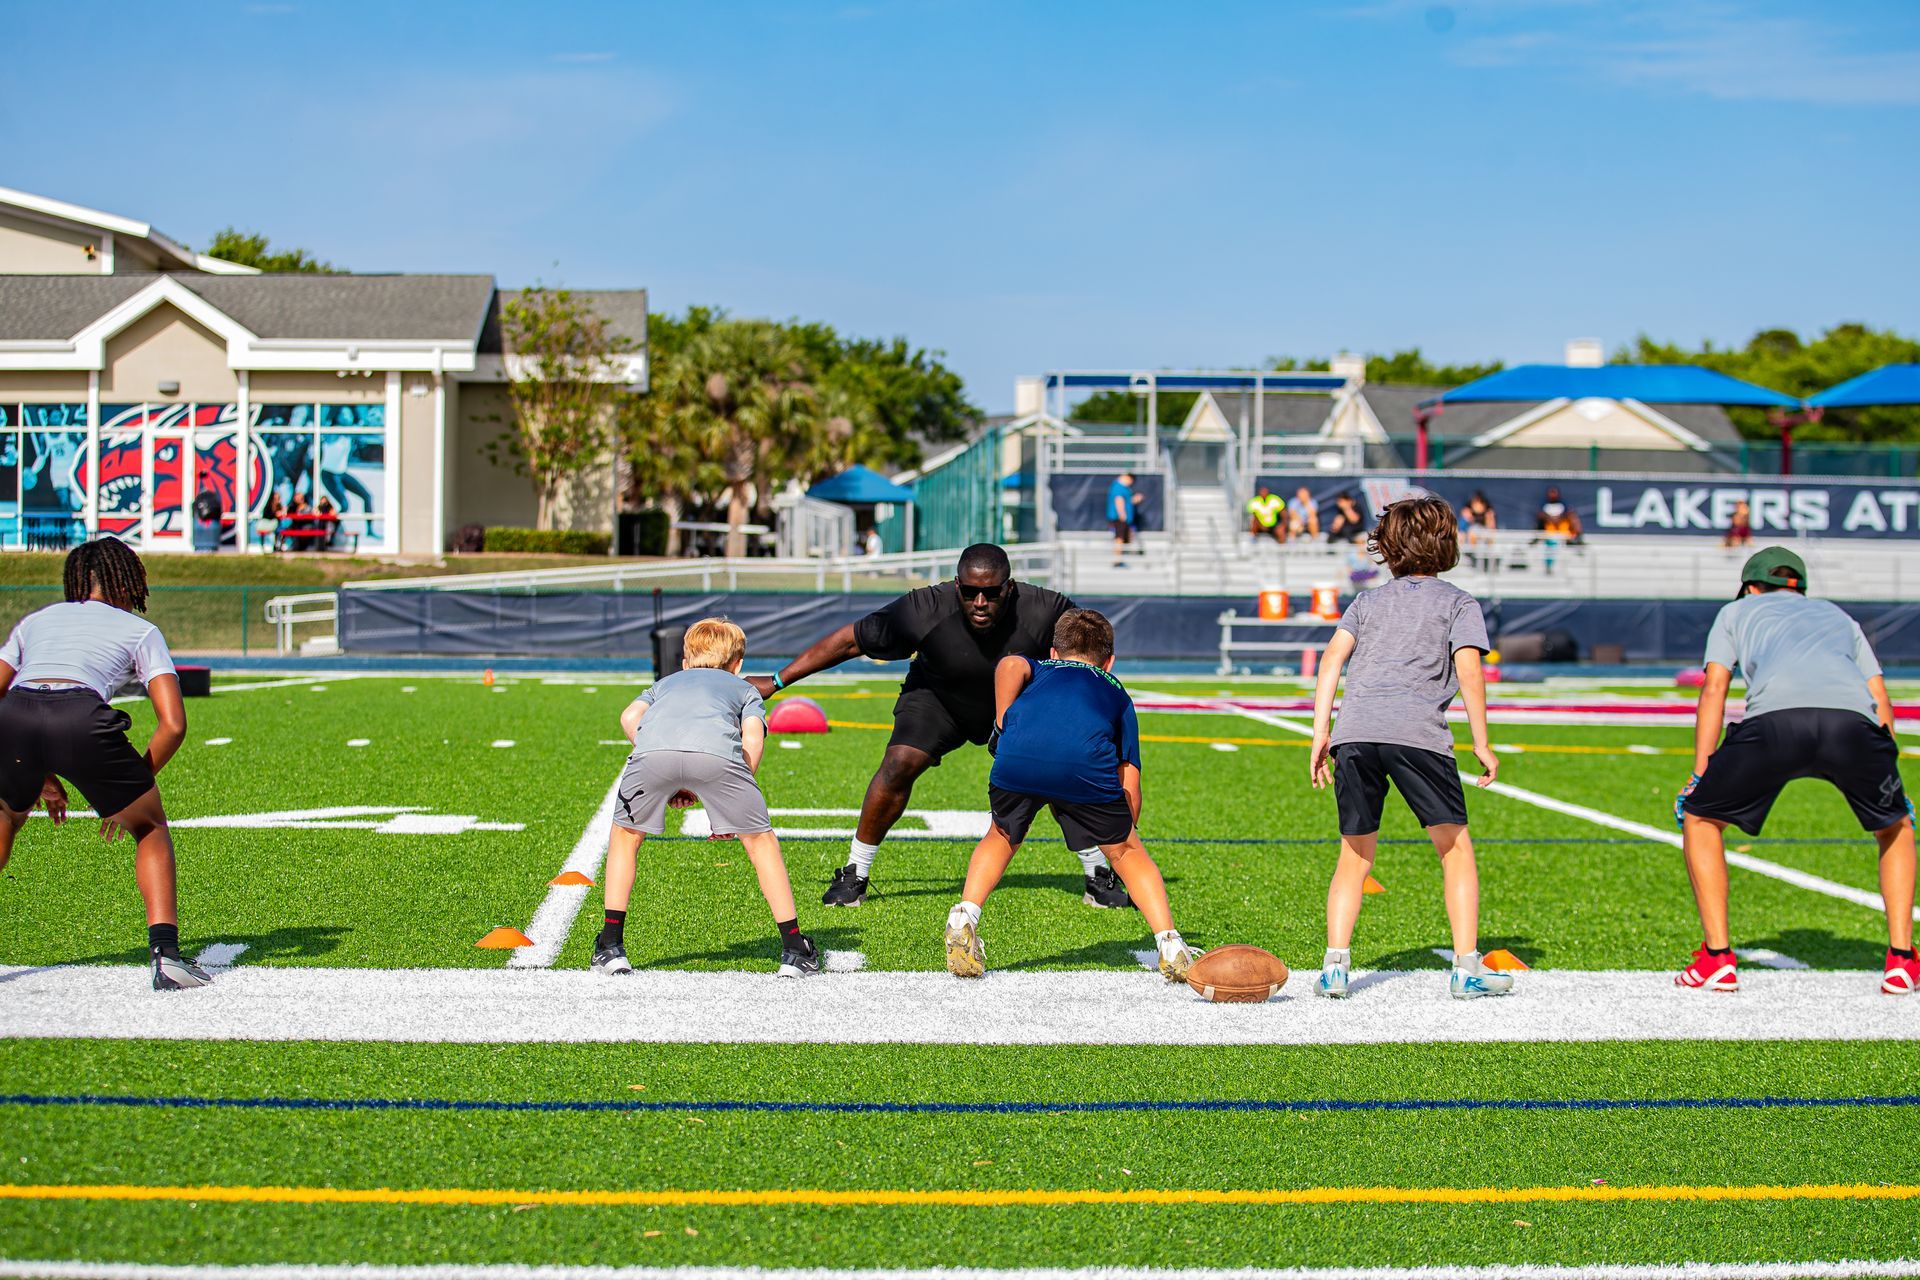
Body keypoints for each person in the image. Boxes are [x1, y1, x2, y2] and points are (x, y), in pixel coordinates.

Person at [748, 544, 1131, 909]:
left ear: (1010, 588)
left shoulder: (1046, 609)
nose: (980, 603)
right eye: (969, 592)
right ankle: (856, 871)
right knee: (898, 763)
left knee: (1056, 763)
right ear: (956, 584)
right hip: (939, 699)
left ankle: (1097, 874)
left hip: (1020, 704)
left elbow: (1086, 659)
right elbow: (851, 641)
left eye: (992, 593)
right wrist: (778, 680)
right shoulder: (924, 607)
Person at [1674, 548, 1915, 995]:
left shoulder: (1736, 611)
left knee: (1701, 818)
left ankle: (1718, 958)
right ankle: (1902, 960)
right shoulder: (1840, 617)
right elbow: (1880, 697)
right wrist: (1889, 770)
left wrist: (1701, 771)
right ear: (1800, 588)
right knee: (1895, 825)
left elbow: (1714, 689)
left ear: (1749, 587)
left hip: (1775, 725)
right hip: (1853, 726)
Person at [1307, 495, 1512, 1001]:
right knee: (1455, 849)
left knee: (1354, 854)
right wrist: (1482, 741)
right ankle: (1467, 968)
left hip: (1355, 731)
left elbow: (1331, 660)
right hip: (1417, 733)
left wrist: (1320, 732)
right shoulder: (1459, 602)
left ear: (1389, 549)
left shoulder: (1367, 602)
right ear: (1447, 544)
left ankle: (1335, 967)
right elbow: (1468, 669)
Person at [944, 608, 1195, 982]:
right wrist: (1125, 833)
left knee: (1001, 834)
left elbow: (1010, 663)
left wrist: (1001, 723)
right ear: (1109, 661)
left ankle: (964, 915)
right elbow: (1130, 778)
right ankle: (1171, 944)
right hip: (1083, 765)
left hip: (1017, 757)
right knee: (1128, 850)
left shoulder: (1042, 669)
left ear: (1054, 653)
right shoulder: (1116, 691)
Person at [0, 539, 205, 990]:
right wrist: (127, 787)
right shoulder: (139, 630)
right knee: (149, 828)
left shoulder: (36, 620)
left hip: (14, 713)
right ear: (126, 582)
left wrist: (42, 774)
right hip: (81, 717)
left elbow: (9, 695)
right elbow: (172, 725)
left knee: (5, 820)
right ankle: (167, 959)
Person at [594, 617, 820, 978]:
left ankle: (610, 946)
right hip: (719, 759)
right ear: (738, 666)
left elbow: (629, 716)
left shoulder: (665, 683)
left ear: (684, 662)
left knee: (625, 836)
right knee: (761, 843)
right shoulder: (743, 689)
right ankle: (794, 949)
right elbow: (752, 738)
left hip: (651, 753)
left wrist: (659, 757)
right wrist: (731, 803)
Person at [1535, 486, 1580, 573]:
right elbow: (1541, 515)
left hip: (1562, 529)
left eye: (1554, 493)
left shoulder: (1562, 505)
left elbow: (1568, 514)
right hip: (1550, 530)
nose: (1552, 495)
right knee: (1550, 545)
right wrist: (1551, 519)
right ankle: (1548, 565)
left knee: (1573, 520)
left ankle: (1575, 539)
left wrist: (1558, 519)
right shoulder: (1545, 505)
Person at [1105, 472, 1137, 568]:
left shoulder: (1124, 488)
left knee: (1123, 537)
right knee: (1119, 538)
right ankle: (1117, 560)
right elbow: (1119, 500)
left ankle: (1120, 559)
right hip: (1120, 518)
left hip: (1122, 518)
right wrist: (1122, 514)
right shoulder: (1118, 487)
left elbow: (1126, 500)